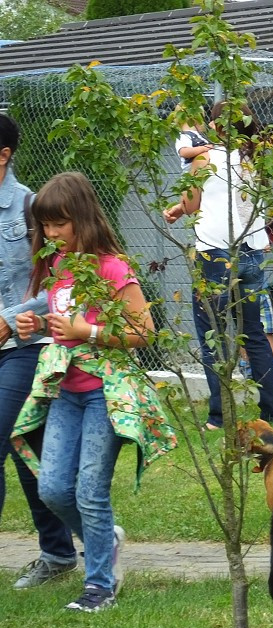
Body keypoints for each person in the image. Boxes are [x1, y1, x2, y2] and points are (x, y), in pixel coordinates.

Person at [12, 171, 176, 612]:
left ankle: (99, 586)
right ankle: (104, 538)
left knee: (89, 490)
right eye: (44, 226)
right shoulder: (57, 267)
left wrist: (89, 330)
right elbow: (61, 323)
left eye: (58, 224)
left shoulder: (111, 266)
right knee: (52, 489)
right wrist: (33, 327)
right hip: (65, 392)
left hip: (106, 394)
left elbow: (143, 331)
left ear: (81, 219)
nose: (50, 234)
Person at [164, 100, 273, 430]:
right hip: (252, 253)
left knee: (212, 335)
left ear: (217, 128)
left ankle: (219, 416)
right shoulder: (255, 158)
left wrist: (178, 206)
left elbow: (192, 203)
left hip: (215, 256)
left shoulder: (204, 157)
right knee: (253, 334)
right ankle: (272, 412)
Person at [0, 114, 77, 590]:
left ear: (3, 155)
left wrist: (8, 321)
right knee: (26, 445)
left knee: (13, 438)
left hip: (23, 346)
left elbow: (57, 284)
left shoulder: (30, 207)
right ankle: (59, 551)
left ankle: (57, 550)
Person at [239, 292, 273, 380]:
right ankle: (247, 364)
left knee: (268, 329)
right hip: (239, 294)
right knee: (243, 329)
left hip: (260, 291)